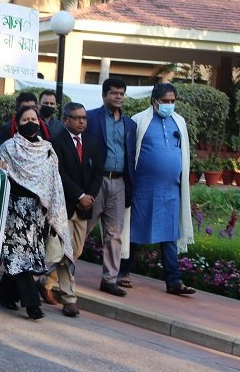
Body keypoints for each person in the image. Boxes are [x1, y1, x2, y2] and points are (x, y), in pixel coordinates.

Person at [0, 105, 70, 320]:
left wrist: (51, 210)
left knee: (26, 257)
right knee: (19, 257)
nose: (31, 123)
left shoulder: (47, 149)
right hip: (14, 209)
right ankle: (32, 305)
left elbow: (53, 181)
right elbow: (3, 178)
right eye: (26, 119)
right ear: (17, 123)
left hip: (37, 213)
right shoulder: (8, 148)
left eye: (34, 119)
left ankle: (6, 293)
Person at [129, 83, 195, 296]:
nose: (169, 105)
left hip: (170, 190)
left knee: (170, 235)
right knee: (135, 231)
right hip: (143, 189)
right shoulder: (139, 121)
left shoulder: (180, 122)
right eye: (165, 101)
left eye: (172, 101)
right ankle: (122, 272)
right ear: (153, 101)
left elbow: (183, 152)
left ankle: (174, 281)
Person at [45, 102, 104, 316]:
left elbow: (98, 172)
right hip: (64, 205)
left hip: (85, 207)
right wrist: (79, 195)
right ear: (66, 119)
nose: (82, 121)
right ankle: (69, 299)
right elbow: (59, 174)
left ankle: (42, 279)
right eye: (77, 118)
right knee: (68, 253)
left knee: (76, 250)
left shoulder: (93, 142)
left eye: (84, 118)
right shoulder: (55, 143)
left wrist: (90, 196)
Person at [85, 78, 137, 296]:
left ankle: (109, 279)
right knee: (82, 229)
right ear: (104, 95)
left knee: (114, 234)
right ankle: (59, 272)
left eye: (121, 93)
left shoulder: (130, 124)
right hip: (96, 182)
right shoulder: (90, 117)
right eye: (114, 93)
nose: (118, 97)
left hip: (119, 182)